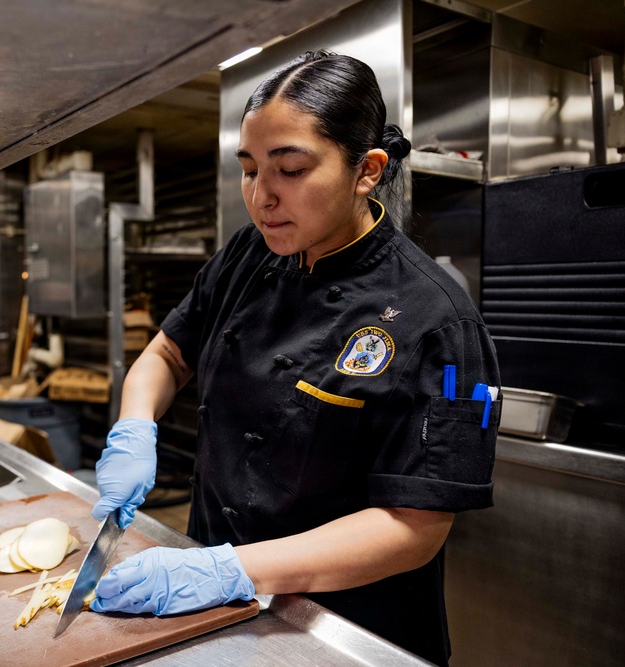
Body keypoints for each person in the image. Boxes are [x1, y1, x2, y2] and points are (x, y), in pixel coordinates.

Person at [88, 50, 500, 666]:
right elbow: (169, 352)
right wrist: (134, 426)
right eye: (250, 170)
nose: (262, 198)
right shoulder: (248, 254)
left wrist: (227, 570)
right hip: (211, 609)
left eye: (290, 169)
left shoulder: (436, 318)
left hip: (341, 630)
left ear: (367, 171)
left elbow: (414, 529)